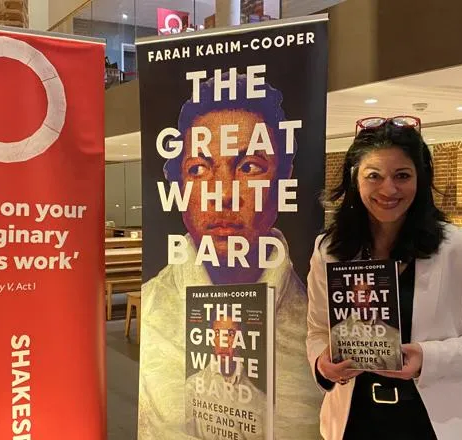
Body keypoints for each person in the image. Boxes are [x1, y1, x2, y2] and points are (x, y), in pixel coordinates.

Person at [306, 116, 462, 440]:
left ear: (420, 179)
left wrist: (428, 357)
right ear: (355, 180)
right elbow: (318, 331)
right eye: (374, 176)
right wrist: (323, 365)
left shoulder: (458, 249)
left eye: (402, 175)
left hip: (435, 425)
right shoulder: (330, 250)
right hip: (354, 423)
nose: (388, 188)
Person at [138, 74, 323, 439]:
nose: (223, 194)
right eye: (199, 169)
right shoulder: (153, 311)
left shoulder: (314, 326)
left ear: (283, 177)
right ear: (177, 185)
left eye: (249, 167)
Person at [184, 313, 267, 439]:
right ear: (211, 338)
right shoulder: (192, 387)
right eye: (217, 333)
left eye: (230, 334)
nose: (223, 342)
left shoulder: (260, 400)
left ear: (240, 339)